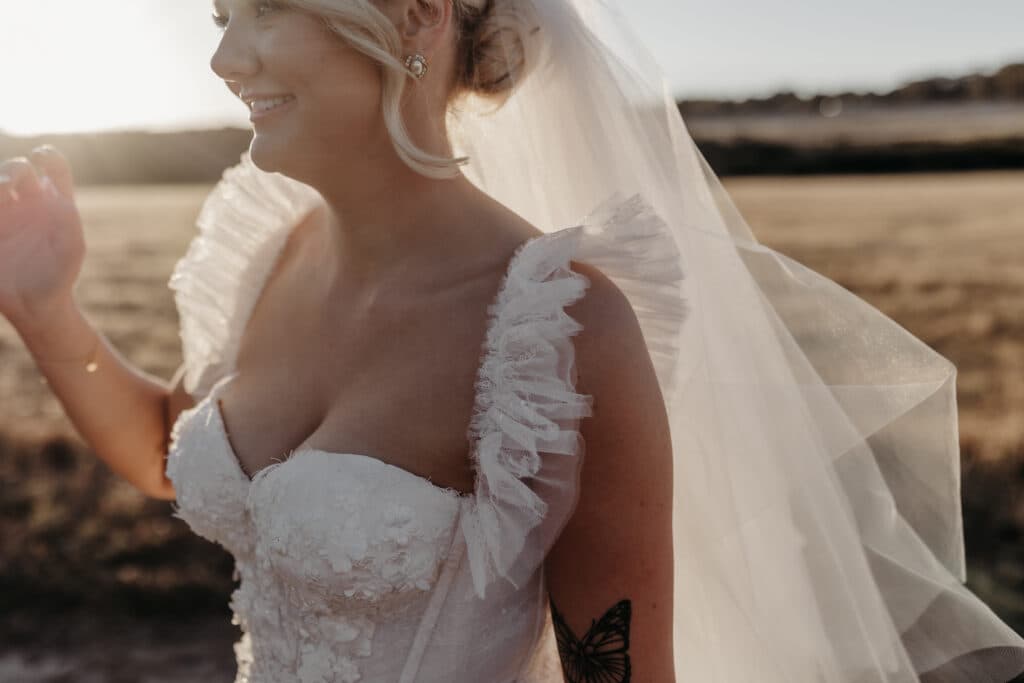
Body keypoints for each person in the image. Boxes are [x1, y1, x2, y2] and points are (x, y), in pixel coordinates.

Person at [1, 0, 1022, 681]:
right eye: (222, 17)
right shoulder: (269, 246)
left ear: (412, 14)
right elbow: (170, 449)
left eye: (267, 8)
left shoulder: (556, 333)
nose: (225, 59)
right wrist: (46, 305)